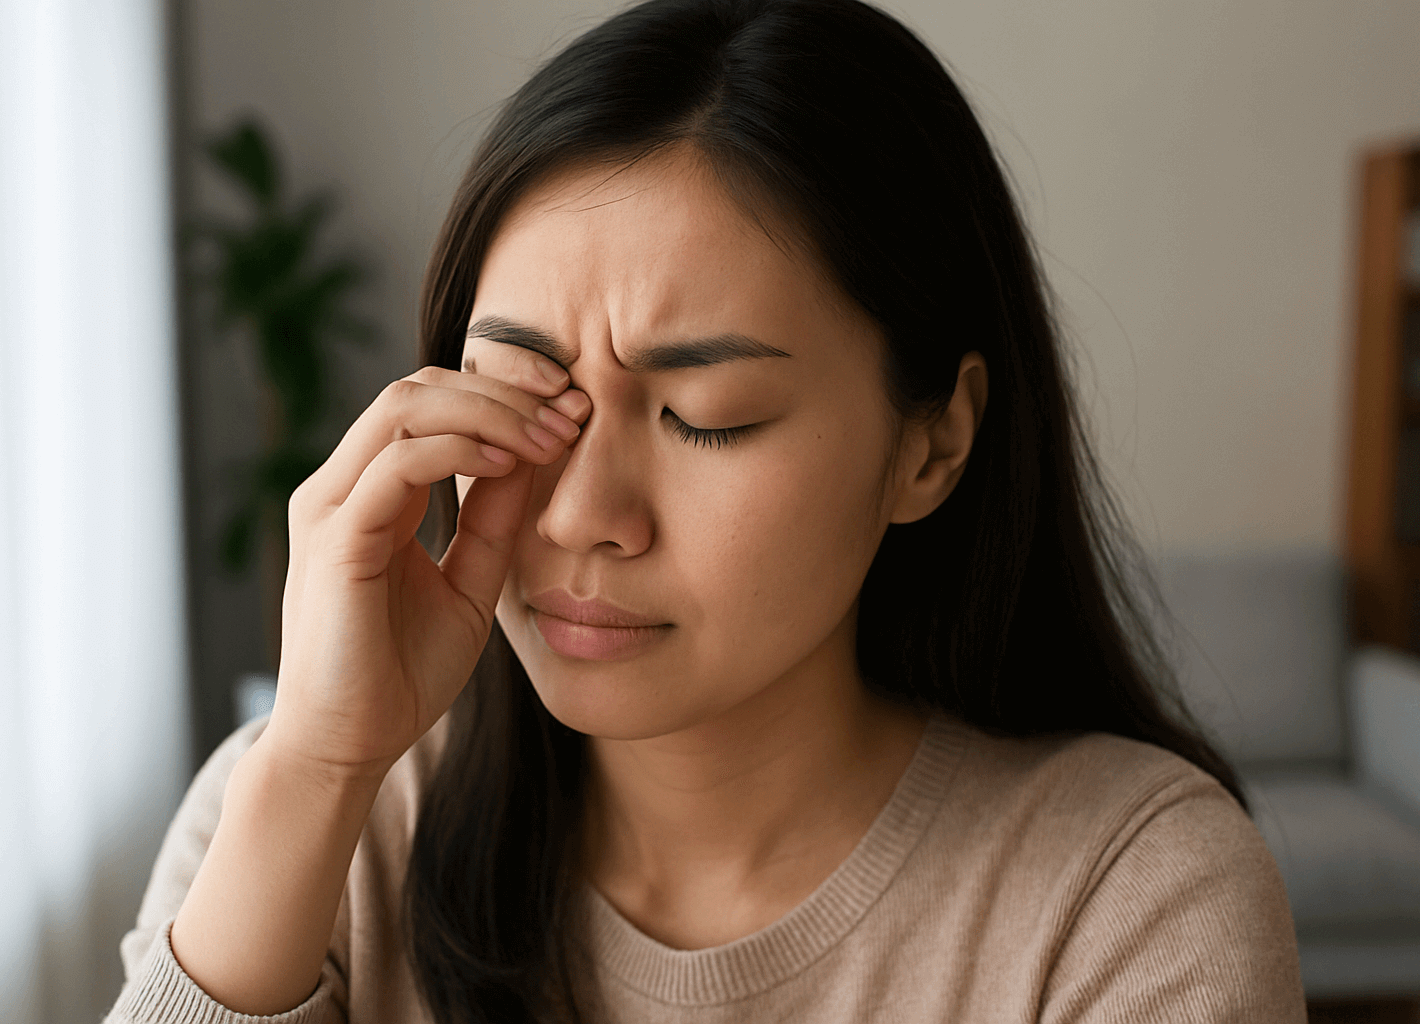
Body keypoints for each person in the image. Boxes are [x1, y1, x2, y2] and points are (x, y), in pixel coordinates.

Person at [104, 0, 1307, 1021]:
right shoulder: (307, 815)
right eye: (524, 392)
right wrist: (315, 771)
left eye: (709, 415)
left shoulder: (1132, 893)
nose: (583, 514)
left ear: (931, 443)